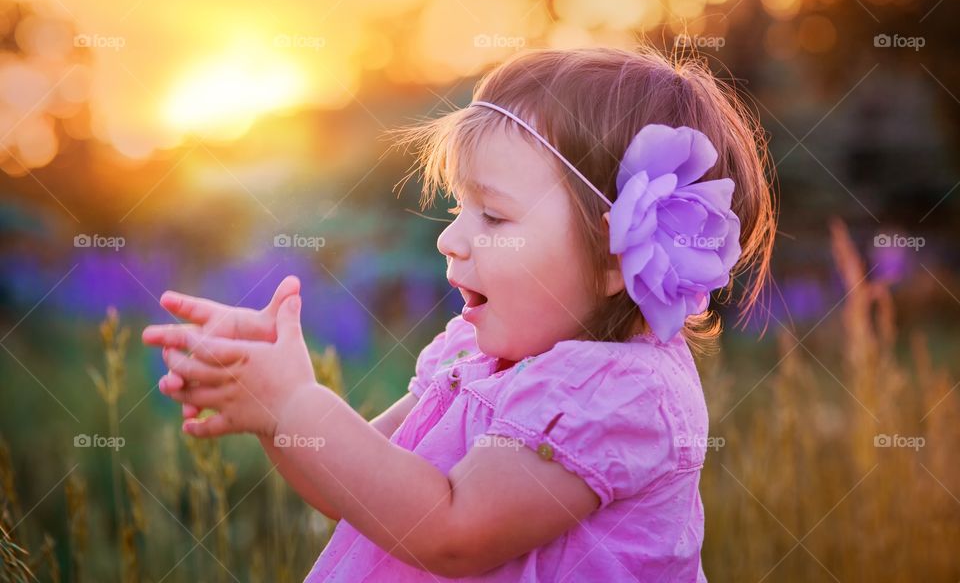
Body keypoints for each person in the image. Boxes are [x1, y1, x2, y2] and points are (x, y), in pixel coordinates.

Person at [142, 45, 776, 581]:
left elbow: (450, 529)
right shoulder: (470, 357)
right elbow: (358, 488)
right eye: (458, 209)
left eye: (493, 216)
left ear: (616, 258)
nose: (450, 239)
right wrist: (274, 403)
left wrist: (296, 404)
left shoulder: (619, 396)